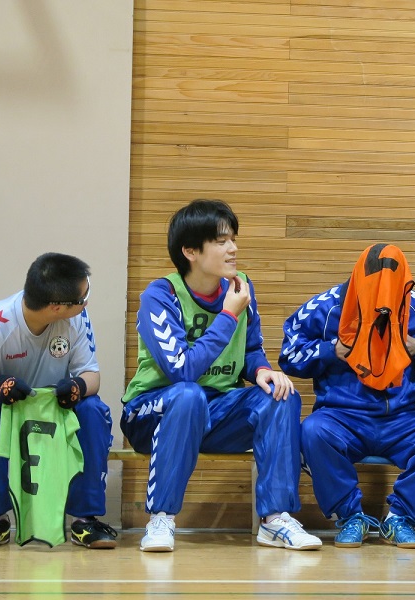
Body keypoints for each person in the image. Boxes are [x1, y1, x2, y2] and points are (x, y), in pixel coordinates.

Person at [121, 199, 321, 552]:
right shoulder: (161, 295)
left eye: (233, 239)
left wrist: (262, 370)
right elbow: (182, 370)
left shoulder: (241, 287)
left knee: (281, 395)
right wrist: (228, 315)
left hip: (217, 412)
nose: (233, 248)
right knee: (188, 394)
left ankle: (275, 519)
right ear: (190, 251)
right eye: (221, 241)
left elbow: (250, 349)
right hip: (153, 413)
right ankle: (161, 518)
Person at [279, 243, 415, 549]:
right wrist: (330, 350)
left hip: (405, 418)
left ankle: (400, 518)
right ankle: (350, 517)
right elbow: (289, 355)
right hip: (342, 417)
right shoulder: (325, 306)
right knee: (312, 431)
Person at [0, 253, 116, 549]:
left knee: (93, 408)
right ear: (57, 307)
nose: (87, 303)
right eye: (83, 298)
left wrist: (77, 386)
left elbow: (92, 376)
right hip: (6, 410)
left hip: (56, 408)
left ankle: (84, 521)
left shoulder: (76, 319)